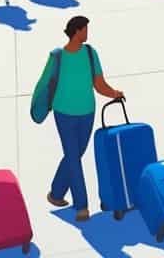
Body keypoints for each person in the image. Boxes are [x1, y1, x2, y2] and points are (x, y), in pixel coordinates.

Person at [37, 16, 124, 223]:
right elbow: (45, 84)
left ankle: (56, 193)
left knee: (75, 154)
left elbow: (99, 84)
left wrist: (114, 94)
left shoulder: (90, 53)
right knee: (74, 157)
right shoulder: (57, 56)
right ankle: (81, 205)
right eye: (85, 29)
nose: (87, 33)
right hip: (63, 113)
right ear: (76, 31)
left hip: (87, 112)